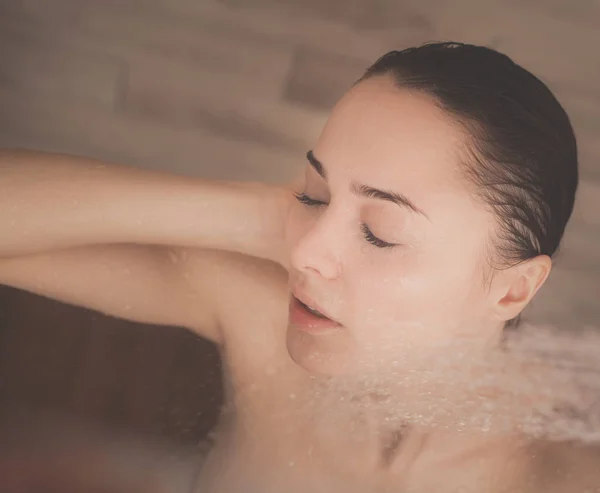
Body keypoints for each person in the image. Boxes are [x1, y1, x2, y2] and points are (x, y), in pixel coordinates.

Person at [0, 42, 598, 492]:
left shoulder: (561, 475)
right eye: (313, 192)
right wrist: (255, 215)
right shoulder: (264, 309)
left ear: (511, 290)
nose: (307, 250)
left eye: (380, 233)